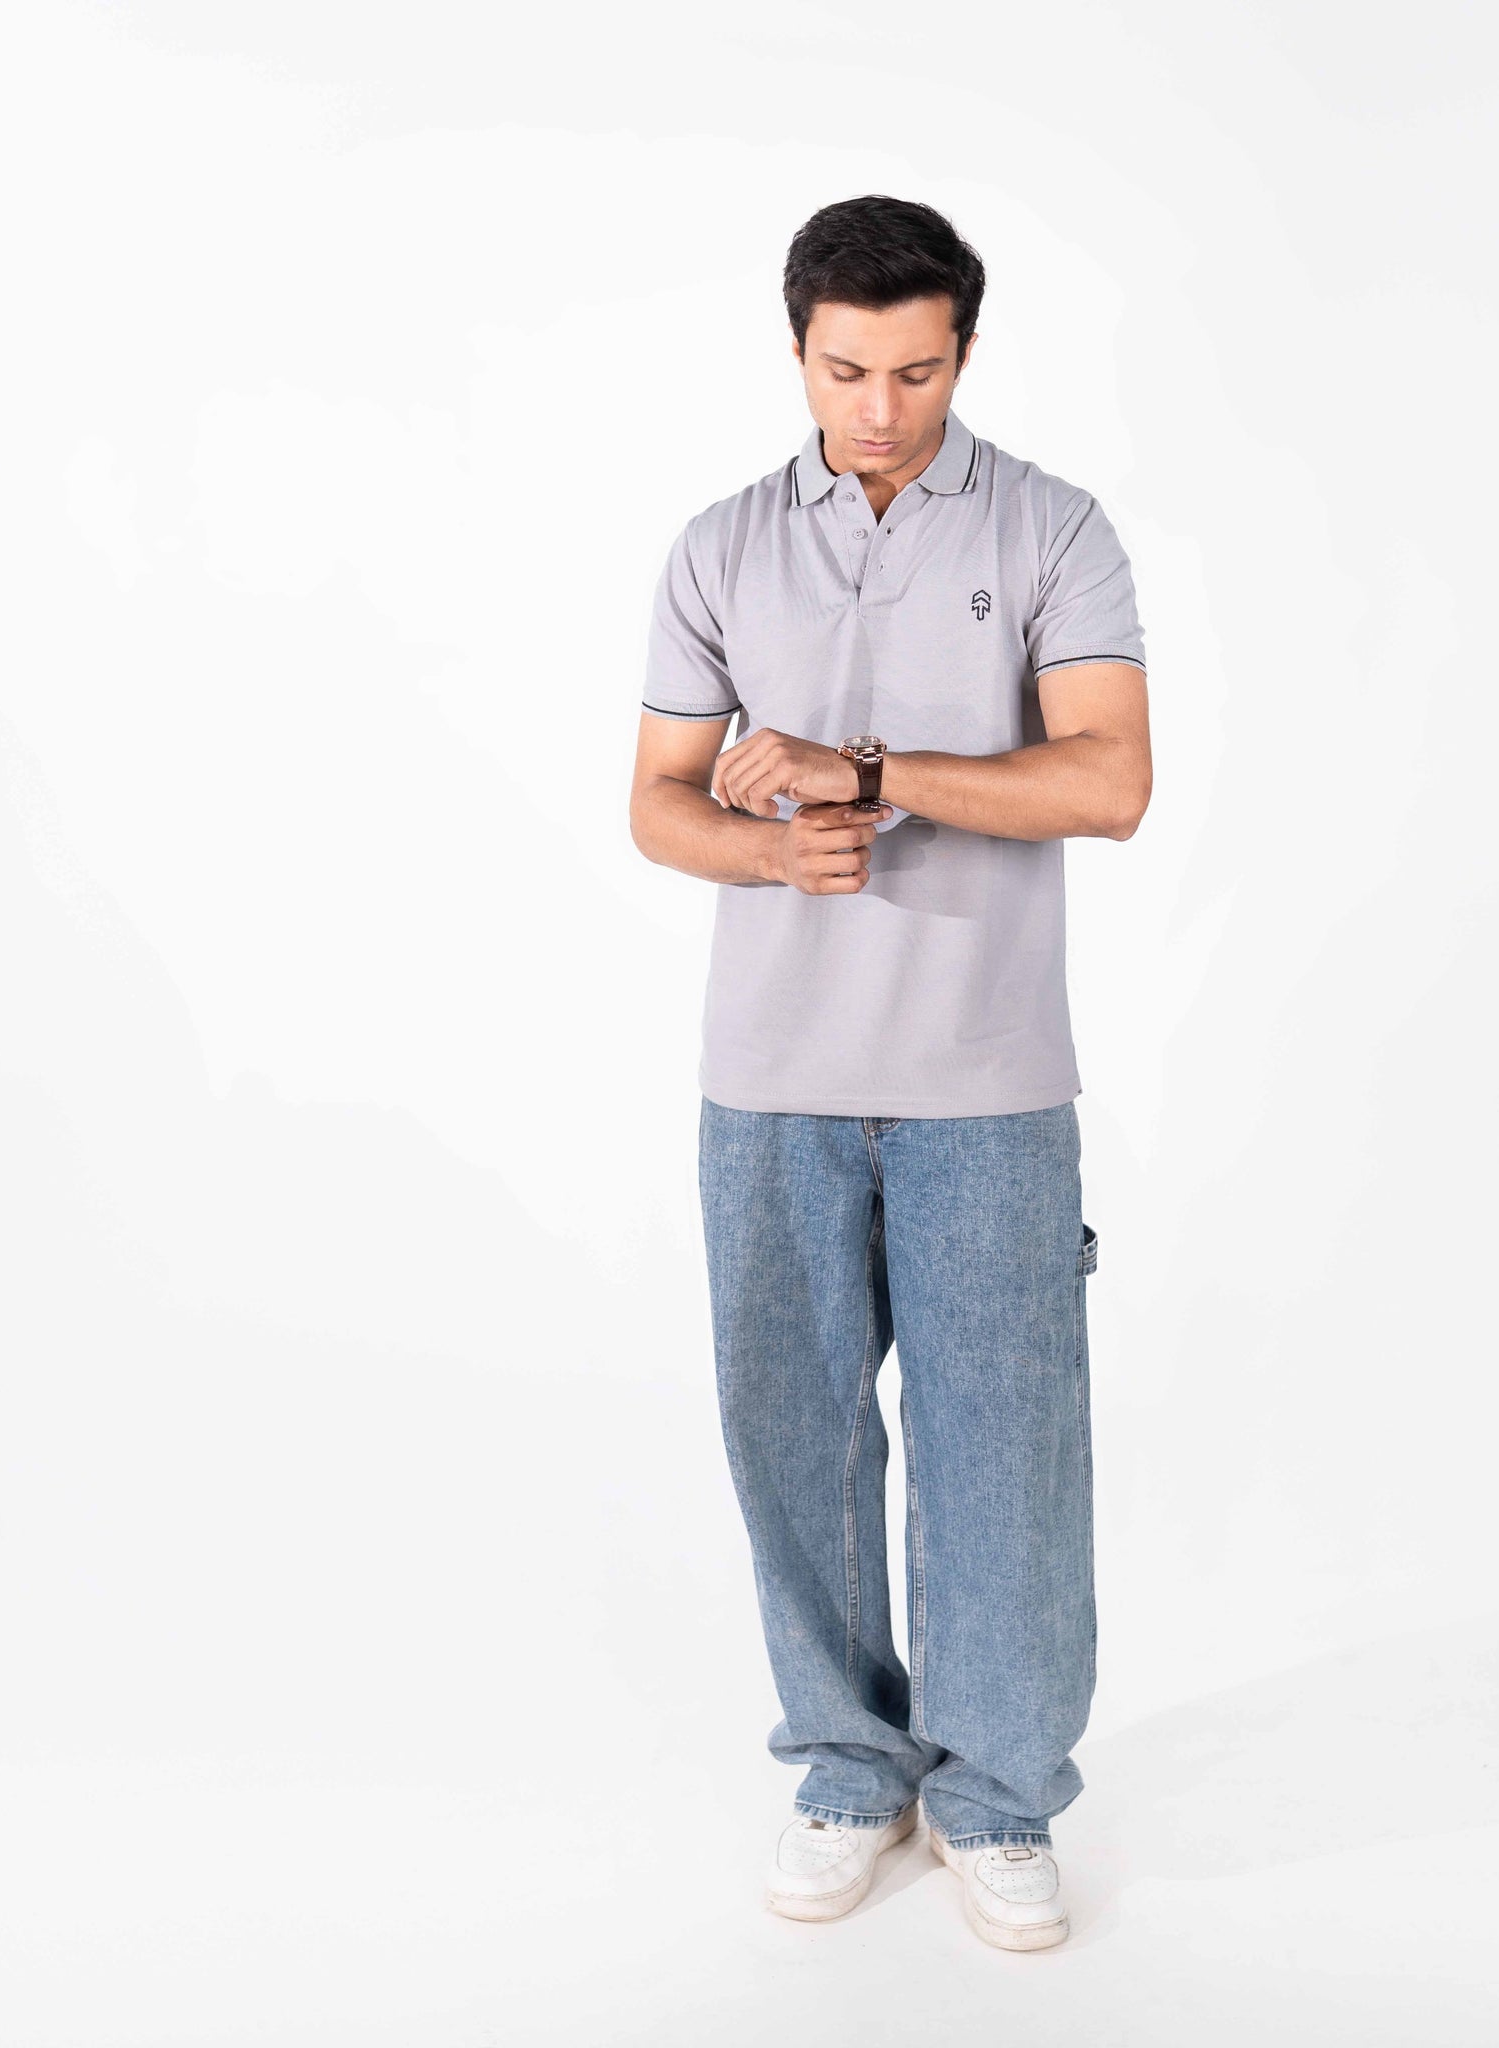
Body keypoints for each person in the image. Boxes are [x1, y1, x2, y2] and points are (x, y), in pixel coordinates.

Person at [627, 193, 1152, 1953]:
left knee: (1005, 1452)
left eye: (917, 372)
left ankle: (997, 1797)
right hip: (769, 1077)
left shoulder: (1054, 529)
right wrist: (772, 849)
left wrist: (871, 770)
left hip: (987, 1079)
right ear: (798, 351)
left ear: (963, 352)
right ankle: (851, 1766)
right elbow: (660, 805)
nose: (879, 408)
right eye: (846, 371)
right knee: (792, 1436)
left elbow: (1108, 781)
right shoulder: (719, 548)